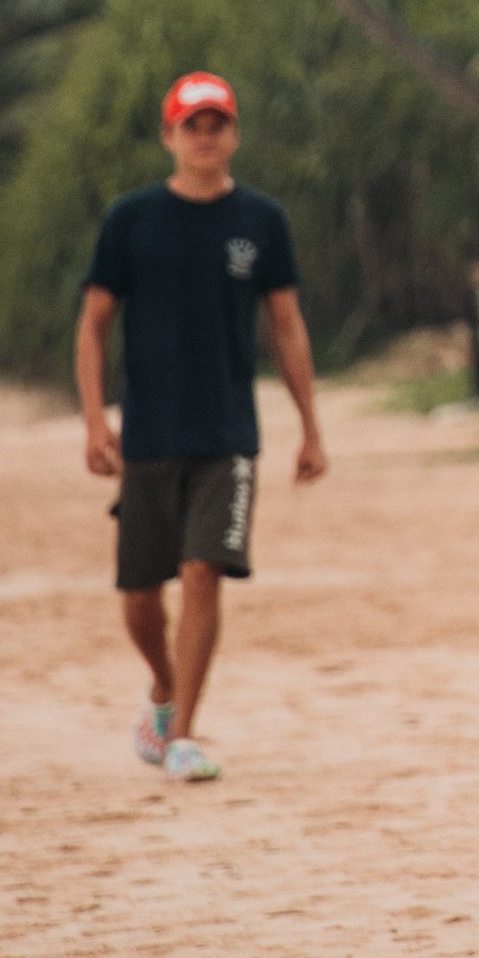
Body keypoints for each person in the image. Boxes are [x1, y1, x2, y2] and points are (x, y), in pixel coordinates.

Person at [76, 72, 326, 782]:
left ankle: (183, 734)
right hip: (148, 433)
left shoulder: (261, 220)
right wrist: (94, 419)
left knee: (203, 571)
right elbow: (94, 325)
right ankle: (163, 688)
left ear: (235, 134)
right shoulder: (131, 220)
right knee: (138, 598)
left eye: (218, 124)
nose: (206, 137)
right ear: (170, 136)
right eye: (194, 125)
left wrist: (310, 427)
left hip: (227, 433)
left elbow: (286, 325)